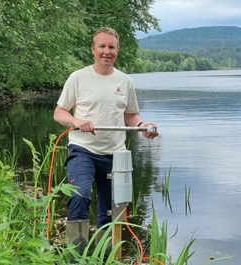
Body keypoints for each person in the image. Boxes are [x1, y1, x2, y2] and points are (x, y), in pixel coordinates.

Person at [53, 27, 159, 257]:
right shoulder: (78, 77)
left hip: (116, 154)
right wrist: (76, 120)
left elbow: (131, 116)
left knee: (112, 211)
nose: (106, 52)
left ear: (117, 51)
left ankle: (109, 258)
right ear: (93, 49)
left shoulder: (125, 81)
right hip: (83, 149)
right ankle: (76, 258)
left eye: (111, 47)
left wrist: (142, 127)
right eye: (102, 46)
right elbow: (59, 112)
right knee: (79, 195)